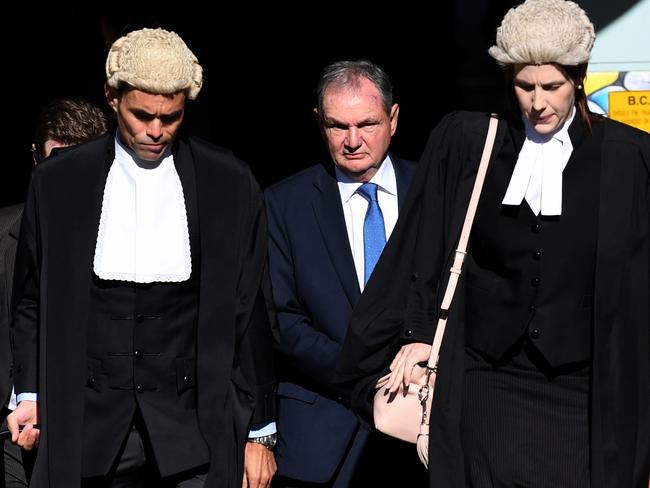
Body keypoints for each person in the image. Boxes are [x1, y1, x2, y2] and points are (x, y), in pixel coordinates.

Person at [336, 1, 650, 487]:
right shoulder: (469, 142)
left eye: (553, 86)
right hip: (487, 384)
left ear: (580, 77)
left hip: (579, 394)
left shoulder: (628, 159)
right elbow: (425, 243)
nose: (538, 102)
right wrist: (418, 332)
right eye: (525, 86)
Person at [7, 28, 277, 487]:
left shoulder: (227, 181)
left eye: (170, 117)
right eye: (142, 115)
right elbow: (31, 299)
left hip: (195, 425)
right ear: (112, 97)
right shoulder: (59, 183)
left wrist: (261, 431)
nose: (156, 131)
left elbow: (250, 311)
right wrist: (28, 392)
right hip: (85, 423)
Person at [265, 60, 421, 487]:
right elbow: (281, 320)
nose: (353, 141)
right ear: (319, 123)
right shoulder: (284, 204)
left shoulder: (432, 192)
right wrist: (364, 374)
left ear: (393, 118)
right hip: (321, 437)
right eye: (338, 126)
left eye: (367, 124)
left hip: (421, 428)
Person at [1, 98, 110, 487]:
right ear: (35, 159)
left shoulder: (128, 245)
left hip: (98, 437)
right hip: (10, 435)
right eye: (56, 161)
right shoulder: (2, 236)